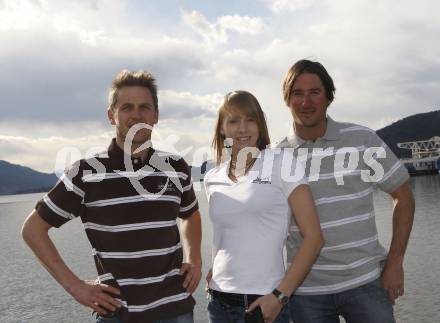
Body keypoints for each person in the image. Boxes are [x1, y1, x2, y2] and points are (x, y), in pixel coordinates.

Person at [21, 70, 202, 323]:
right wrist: (75, 287)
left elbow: (190, 214)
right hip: (118, 314)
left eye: (144, 107)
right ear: (111, 115)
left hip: (176, 310)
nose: (136, 115)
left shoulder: (176, 167)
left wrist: (194, 258)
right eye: (127, 107)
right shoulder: (86, 173)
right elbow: (32, 230)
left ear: (156, 115)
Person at [278, 59, 415, 323]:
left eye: (314, 92)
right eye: (297, 93)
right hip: (307, 292)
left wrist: (396, 262)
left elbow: (404, 196)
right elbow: (260, 221)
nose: (306, 102)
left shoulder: (362, 140)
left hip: (366, 283)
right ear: (287, 100)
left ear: (329, 97)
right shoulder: (275, 156)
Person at [204, 90, 324, 323]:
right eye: (233, 121)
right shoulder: (212, 177)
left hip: (263, 304)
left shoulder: (282, 163)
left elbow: (314, 238)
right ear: (221, 128)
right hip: (218, 303)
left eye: (250, 120)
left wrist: (279, 296)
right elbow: (227, 236)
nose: (242, 128)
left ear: (260, 125)